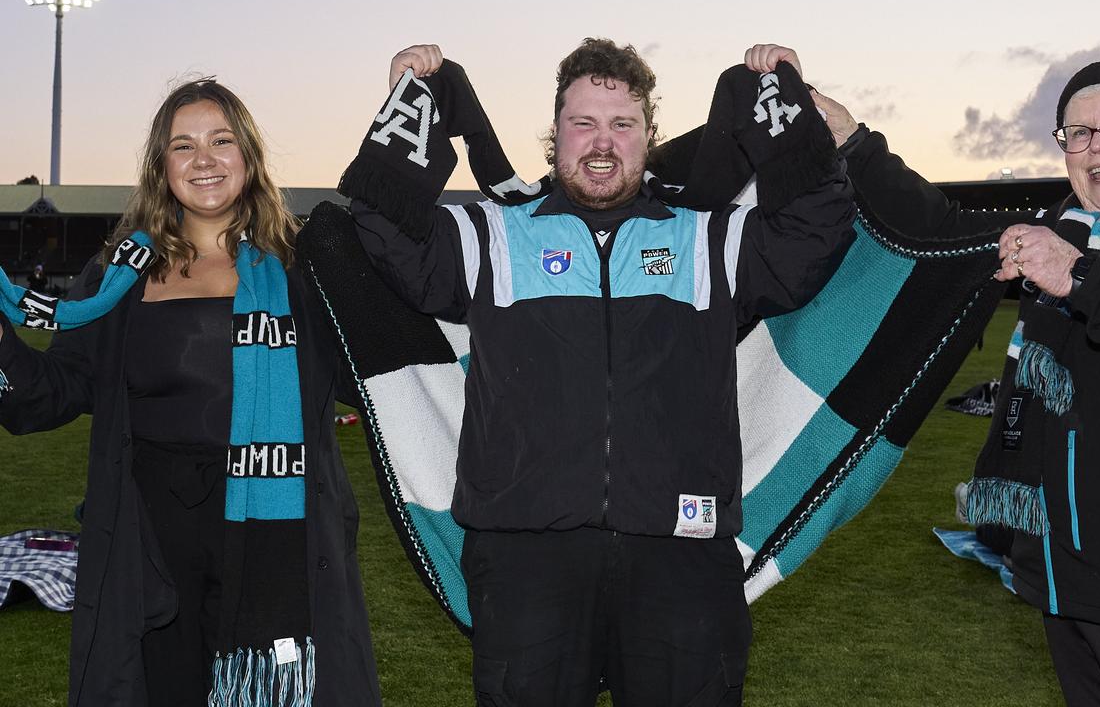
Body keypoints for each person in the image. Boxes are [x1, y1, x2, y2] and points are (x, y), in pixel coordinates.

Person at [343, 39, 855, 706]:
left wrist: (784, 101)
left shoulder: (707, 236)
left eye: (623, 124)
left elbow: (816, 227)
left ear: (649, 137)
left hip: (683, 556)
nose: (602, 142)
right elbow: (381, 220)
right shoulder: (493, 233)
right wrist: (417, 97)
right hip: (527, 559)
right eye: (583, 123)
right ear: (554, 135)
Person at [816, 35, 1100, 705]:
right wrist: (853, 141)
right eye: (1079, 132)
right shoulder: (1064, 231)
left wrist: (1084, 279)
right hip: (1073, 597)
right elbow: (943, 224)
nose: (1098, 146)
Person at [0, 79, 381, 706]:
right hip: (150, 536)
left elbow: (377, 374)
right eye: (183, 146)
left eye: (221, 140)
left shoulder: (304, 266)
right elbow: (46, 394)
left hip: (275, 529)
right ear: (162, 165)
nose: (203, 160)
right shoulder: (115, 275)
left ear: (249, 156)